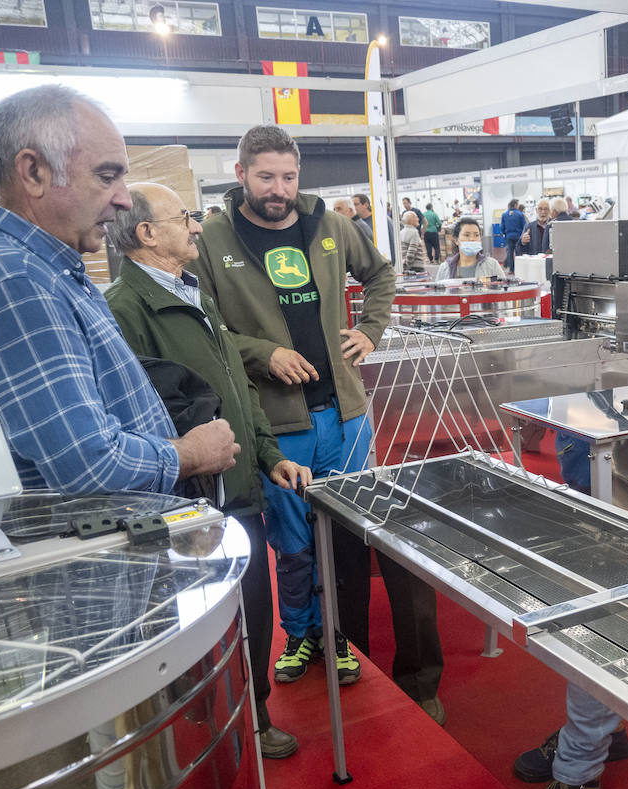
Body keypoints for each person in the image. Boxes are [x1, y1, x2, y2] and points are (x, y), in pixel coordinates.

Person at [189, 125, 447, 723]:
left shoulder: (332, 226)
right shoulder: (214, 239)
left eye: (288, 177)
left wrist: (371, 330)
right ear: (240, 173)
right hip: (278, 420)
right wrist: (262, 354)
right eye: (265, 177)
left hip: (347, 413)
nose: (278, 190)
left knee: (351, 536)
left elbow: (380, 275)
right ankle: (301, 635)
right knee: (294, 543)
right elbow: (207, 326)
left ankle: (343, 639)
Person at [0, 84, 238, 496]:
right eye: (106, 177)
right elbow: (87, 465)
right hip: (88, 547)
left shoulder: (35, 266)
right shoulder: (15, 279)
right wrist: (190, 454)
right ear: (34, 172)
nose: (125, 200)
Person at [104, 181, 312, 760]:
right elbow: (139, 417)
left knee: (254, 611)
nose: (198, 225)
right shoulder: (125, 310)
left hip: (239, 488)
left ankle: (257, 713)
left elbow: (238, 391)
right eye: (186, 216)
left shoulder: (192, 293)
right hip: (192, 503)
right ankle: (216, 730)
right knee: (202, 625)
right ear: (147, 234)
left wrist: (270, 455)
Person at [436, 217, 505, 281]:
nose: (472, 239)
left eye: (476, 235)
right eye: (467, 235)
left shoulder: (492, 265)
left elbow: (503, 289)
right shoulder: (445, 268)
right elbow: (438, 292)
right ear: (456, 240)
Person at [500, 198, 527, 271]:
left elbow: (501, 227)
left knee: (510, 253)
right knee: (518, 253)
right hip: (518, 236)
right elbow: (525, 226)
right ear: (515, 205)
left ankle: (511, 269)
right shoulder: (520, 214)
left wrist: (505, 234)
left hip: (509, 237)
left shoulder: (504, 214)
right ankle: (519, 269)